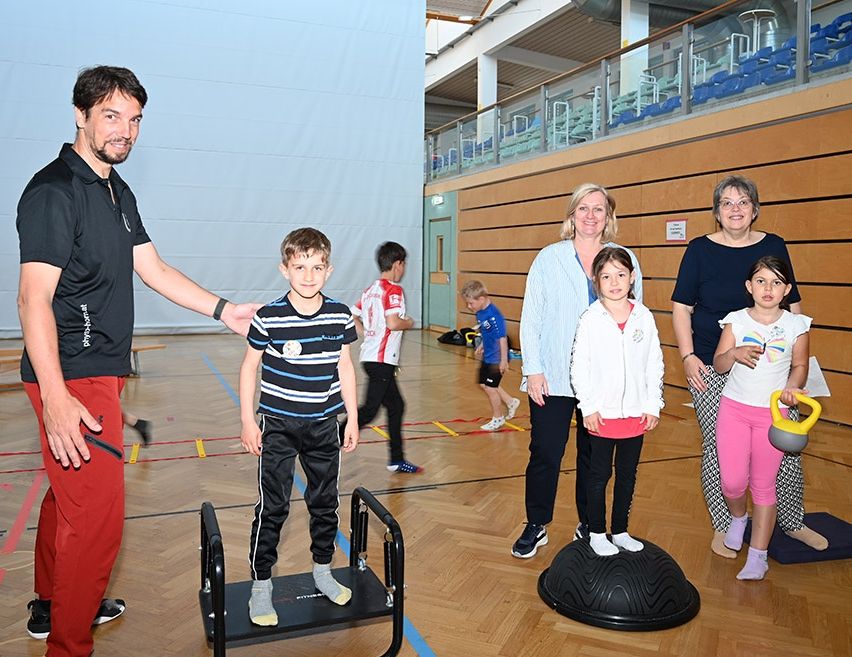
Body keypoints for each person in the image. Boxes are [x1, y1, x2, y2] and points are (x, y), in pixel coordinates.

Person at [16, 65, 260, 657]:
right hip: (72, 378)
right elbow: (32, 300)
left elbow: (152, 269)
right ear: (80, 115)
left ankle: (51, 606)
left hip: (100, 373)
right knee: (97, 520)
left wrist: (223, 310)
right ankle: (68, 646)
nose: (125, 131)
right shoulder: (54, 192)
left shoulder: (114, 190)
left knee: (65, 498)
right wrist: (56, 398)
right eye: (111, 116)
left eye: (135, 120)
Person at [671, 175, 827, 558]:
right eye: (727, 203)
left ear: (755, 209)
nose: (735, 209)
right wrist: (689, 357)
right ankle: (726, 524)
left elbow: (794, 305)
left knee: (784, 447)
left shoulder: (774, 245)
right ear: (716, 212)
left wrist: (796, 365)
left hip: (773, 370)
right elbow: (681, 308)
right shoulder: (698, 250)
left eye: (743, 202)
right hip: (713, 363)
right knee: (721, 451)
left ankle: (791, 522)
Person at [512, 182, 643, 559]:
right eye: (583, 208)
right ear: (572, 216)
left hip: (603, 381)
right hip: (552, 374)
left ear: (609, 216)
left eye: (598, 209)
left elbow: (637, 323)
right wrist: (533, 369)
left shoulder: (625, 258)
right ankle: (536, 524)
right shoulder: (549, 258)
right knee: (546, 453)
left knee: (595, 459)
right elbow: (531, 318)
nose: (590, 216)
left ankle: (591, 525)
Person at [239, 227, 358, 625]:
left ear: (329, 270)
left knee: (324, 503)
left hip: (324, 425)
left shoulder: (340, 313)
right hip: (278, 426)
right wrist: (247, 421)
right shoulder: (269, 317)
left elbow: (344, 365)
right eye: (300, 267)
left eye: (317, 267)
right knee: (272, 507)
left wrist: (352, 417)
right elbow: (249, 367)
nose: (309, 276)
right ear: (284, 269)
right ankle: (261, 585)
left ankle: (323, 571)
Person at [713, 256, 811, 580]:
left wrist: (792, 388)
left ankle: (758, 556)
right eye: (761, 281)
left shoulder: (797, 325)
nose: (768, 288)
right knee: (732, 481)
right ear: (749, 286)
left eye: (776, 282)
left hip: (774, 415)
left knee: (764, 486)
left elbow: (799, 366)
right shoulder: (736, 321)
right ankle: (738, 518)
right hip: (735, 410)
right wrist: (733, 354)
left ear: (787, 289)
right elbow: (719, 365)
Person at [571, 247, 664, 557]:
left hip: (635, 414)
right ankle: (597, 532)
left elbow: (654, 362)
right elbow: (579, 366)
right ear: (596, 281)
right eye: (606, 276)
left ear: (632, 277)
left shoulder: (644, 316)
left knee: (627, 475)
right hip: (602, 414)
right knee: (598, 476)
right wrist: (588, 406)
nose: (614, 282)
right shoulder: (590, 318)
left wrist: (652, 404)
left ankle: (620, 530)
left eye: (620, 275)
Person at [348, 241, 422, 473]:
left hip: (373, 358)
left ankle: (396, 459)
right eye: (404, 264)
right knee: (369, 411)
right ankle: (327, 442)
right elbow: (393, 322)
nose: (404, 269)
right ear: (397, 264)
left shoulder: (371, 290)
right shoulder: (393, 290)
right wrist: (409, 322)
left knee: (396, 406)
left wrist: (367, 333)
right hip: (381, 361)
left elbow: (352, 315)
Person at [459, 280, 521, 431]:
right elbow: (487, 333)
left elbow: (502, 338)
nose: (469, 306)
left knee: (490, 387)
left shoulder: (495, 316)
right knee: (484, 384)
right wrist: (482, 345)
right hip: (488, 355)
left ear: (481, 299)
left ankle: (498, 418)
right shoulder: (480, 312)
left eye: (470, 303)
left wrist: (504, 360)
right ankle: (510, 401)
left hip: (497, 357)